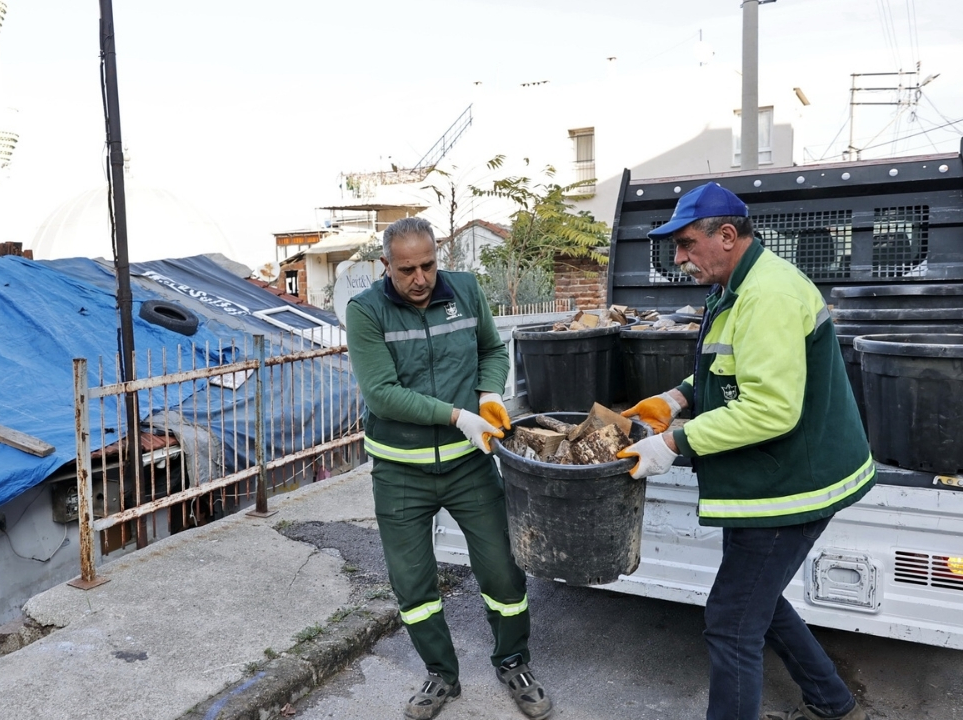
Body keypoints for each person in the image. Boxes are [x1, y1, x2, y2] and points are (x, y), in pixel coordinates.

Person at [616, 182, 875, 720]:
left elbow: (772, 410)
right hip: (772, 479)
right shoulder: (738, 283)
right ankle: (831, 700)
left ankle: (828, 700)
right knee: (758, 599)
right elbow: (731, 364)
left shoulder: (768, 295)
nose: (679, 259)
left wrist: (672, 441)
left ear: (727, 235)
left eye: (686, 244)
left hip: (792, 484)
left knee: (731, 622)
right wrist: (678, 396)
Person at [346, 217, 552, 720]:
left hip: (469, 467)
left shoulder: (465, 291)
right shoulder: (365, 310)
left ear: (441, 257)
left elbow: (491, 349)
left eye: (429, 265)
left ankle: (514, 661)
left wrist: (487, 392)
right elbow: (382, 394)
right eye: (407, 269)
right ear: (385, 266)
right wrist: (459, 416)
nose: (420, 279)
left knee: (503, 572)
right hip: (399, 473)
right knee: (413, 585)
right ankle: (441, 675)